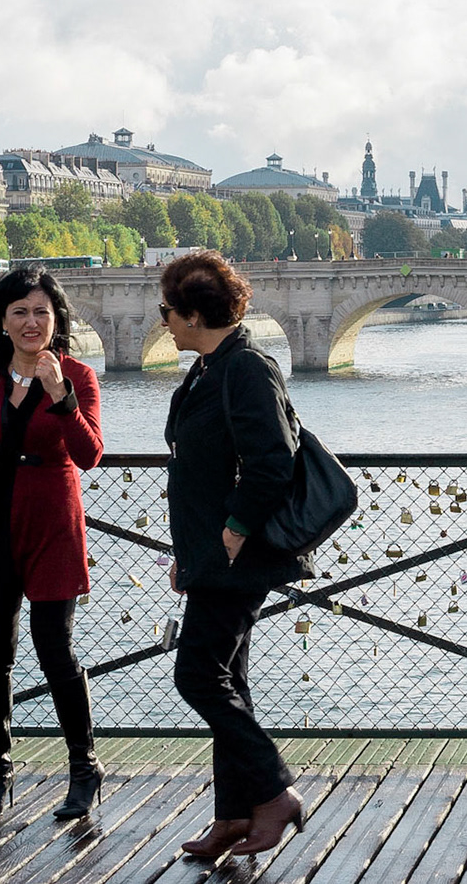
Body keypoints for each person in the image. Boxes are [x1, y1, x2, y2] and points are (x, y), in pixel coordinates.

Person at [0, 266, 104, 821]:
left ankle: (84, 767)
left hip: (52, 521)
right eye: (19, 313)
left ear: (56, 320)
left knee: (55, 648)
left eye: (41, 313)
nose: (31, 323)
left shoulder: (76, 373)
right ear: (2, 321)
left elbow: (90, 454)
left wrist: (62, 398)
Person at [160, 251, 308, 858]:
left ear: (195, 313)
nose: (163, 320)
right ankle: (232, 816)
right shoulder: (208, 365)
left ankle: (276, 793)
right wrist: (190, 552)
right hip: (212, 551)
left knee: (197, 675)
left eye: (168, 309)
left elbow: (275, 457)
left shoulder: (246, 367)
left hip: (238, 554)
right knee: (228, 681)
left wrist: (235, 529)